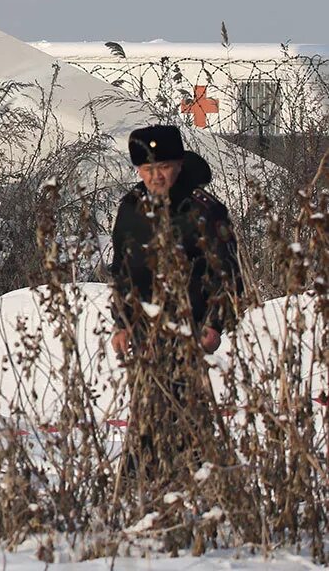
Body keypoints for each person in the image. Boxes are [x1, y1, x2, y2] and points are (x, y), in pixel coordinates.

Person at [109, 123, 242, 476]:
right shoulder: (130, 209)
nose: (157, 176)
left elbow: (226, 273)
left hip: (189, 330)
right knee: (146, 411)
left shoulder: (202, 210)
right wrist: (121, 323)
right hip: (144, 329)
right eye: (148, 169)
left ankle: (194, 484)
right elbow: (121, 270)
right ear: (138, 170)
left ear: (179, 165)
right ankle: (142, 486)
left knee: (186, 413)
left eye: (164, 167)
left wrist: (214, 324)